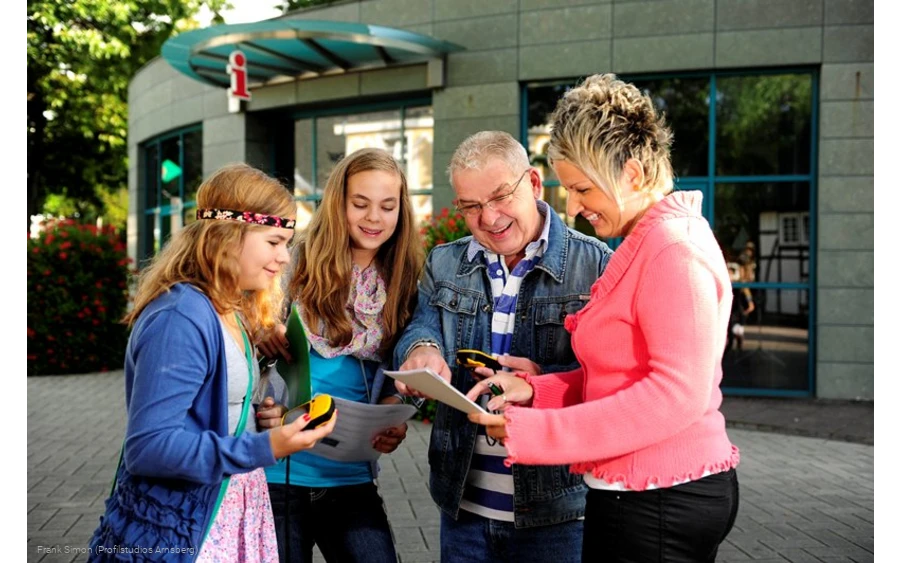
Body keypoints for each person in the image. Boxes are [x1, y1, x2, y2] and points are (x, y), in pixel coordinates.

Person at [467, 74, 741, 563]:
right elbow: (620, 376)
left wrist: (537, 433)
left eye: (582, 189)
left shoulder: (673, 249)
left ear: (632, 174)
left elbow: (677, 393)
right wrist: (537, 392)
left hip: (657, 501)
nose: (573, 207)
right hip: (641, 496)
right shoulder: (648, 243)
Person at [87, 163, 336, 562]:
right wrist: (267, 446)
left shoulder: (229, 308)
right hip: (184, 525)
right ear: (228, 235)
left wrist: (258, 419)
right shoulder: (180, 317)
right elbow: (149, 447)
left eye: (287, 244)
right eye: (274, 242)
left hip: (225, 509)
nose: (284, 258)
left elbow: (216, 413)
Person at [393, 131, 613, 562]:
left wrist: (541, 383)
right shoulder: (444, 262)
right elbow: (421, 325)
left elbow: (609, 381)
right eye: (471, 206)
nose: (489, 218)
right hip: (463, 508)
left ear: (533, 183)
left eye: (499, 197)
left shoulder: (595, 264)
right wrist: (422, 348)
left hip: (558, 513)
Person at [256, 148, 424, 563]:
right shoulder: (295, 261)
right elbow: (241, 327)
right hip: (277, 470)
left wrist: (395, 409)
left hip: (350, 476)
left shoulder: (405, 280)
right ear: (337, 203)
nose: (374, 218)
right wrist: (260, 329)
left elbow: (409, 364)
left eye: (387, 206)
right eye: (360, 204)